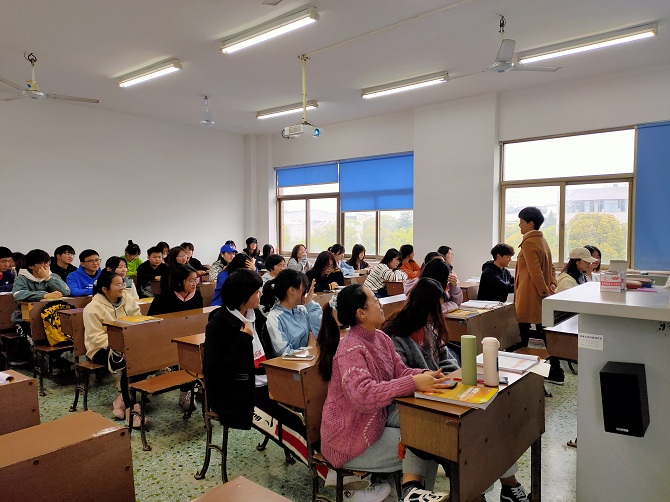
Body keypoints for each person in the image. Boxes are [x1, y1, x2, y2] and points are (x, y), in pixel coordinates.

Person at [384, 278, 530, 502]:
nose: (440, 313)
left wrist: (454, 377)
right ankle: (476, 490)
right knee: (464, 430)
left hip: (437, 391)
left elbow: (446, 358)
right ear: (425, 307)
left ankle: (502, 486)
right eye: (437, 308)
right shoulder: (396, 335)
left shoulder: (428, 327)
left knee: (486, 419)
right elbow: (402, 375)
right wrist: (436, 378)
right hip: (410, 400)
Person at [317, 283, 450, 502]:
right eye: (374, 301)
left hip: (374, 421)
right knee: (424, 438)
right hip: (350, 439)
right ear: (361, 313)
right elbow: (363, 396)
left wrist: (426, 375)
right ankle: (413, 491)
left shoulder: (380, 338)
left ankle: (417, 492)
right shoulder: (350, 349)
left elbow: (401, 371)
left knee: (427, 423)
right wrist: (413, 382)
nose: (380, 305)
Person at [203, 269, 305, 457]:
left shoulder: (255, 316)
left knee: (306, 403)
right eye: (257, 292)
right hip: (239, 392)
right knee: (293, 422)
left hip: (266, 382)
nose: (261, 295)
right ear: (243, 295)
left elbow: (269, 352)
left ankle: (326, 454)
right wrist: (243, 340)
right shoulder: (218, 326)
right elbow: (216, 372)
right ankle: (319, 465)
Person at [83, 270, 144, 427]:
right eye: (118, 284)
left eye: (123, 283)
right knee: (130, 364)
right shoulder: (92, 308)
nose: (123, 287)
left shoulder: (128, 300)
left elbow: (138, 320)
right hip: (100, 349)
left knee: (147, 359)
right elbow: (96, 337)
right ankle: (131, 408)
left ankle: (122, 399)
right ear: (105, 289)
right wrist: (119, 345)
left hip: (128, 345)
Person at [514, 206, 562, 384]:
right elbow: (551, 268)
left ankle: (523, 373)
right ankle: (555, 370)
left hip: (530, 296)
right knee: (545, 332)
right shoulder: (542, 240)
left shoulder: (529, 242)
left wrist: (543, 291)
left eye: (521, 222)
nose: (519, 225)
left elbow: (535, 272)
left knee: (523, 335)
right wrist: (552, 284)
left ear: (530, 223)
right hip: (540, 295)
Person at [148, 264, 204, 411]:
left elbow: (198, 320)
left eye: (196, 280)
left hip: (189, 339)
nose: (195, 283)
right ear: (179, 282)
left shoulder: (197, 296)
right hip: (166, 340)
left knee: (194, 356)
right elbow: (151, 324)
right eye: (191, 280)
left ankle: (187, 392)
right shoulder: (163, 298)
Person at [263, 269, 321, 356]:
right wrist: (309, 348)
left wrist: (310, 305)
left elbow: (319, 336)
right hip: (292, 363)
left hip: (310, 359)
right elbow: (284, 353)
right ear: (292, 290)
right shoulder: (274, 318)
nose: (306, 292)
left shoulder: (302, 310)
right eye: (304, 288)